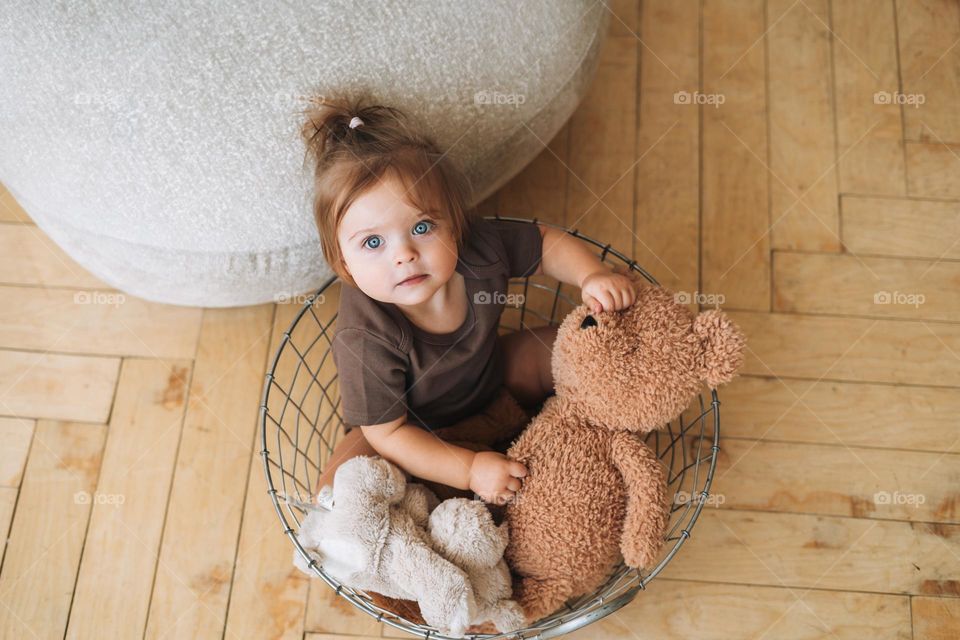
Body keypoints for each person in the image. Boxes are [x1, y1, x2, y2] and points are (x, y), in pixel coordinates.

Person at [300, 94, 637, 505]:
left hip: (493, 379)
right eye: (373, 242)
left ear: (456, 225)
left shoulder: (479, 251)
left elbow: (546, 244)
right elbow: (387, 433)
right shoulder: (366, 336)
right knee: (341, 483)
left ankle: (623, 401)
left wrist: (592, 275)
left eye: (422, 227)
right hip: (409, 430)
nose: (404, 254)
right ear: (344, 264)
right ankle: (355, 543)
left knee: (576, 345)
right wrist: (470, 468)